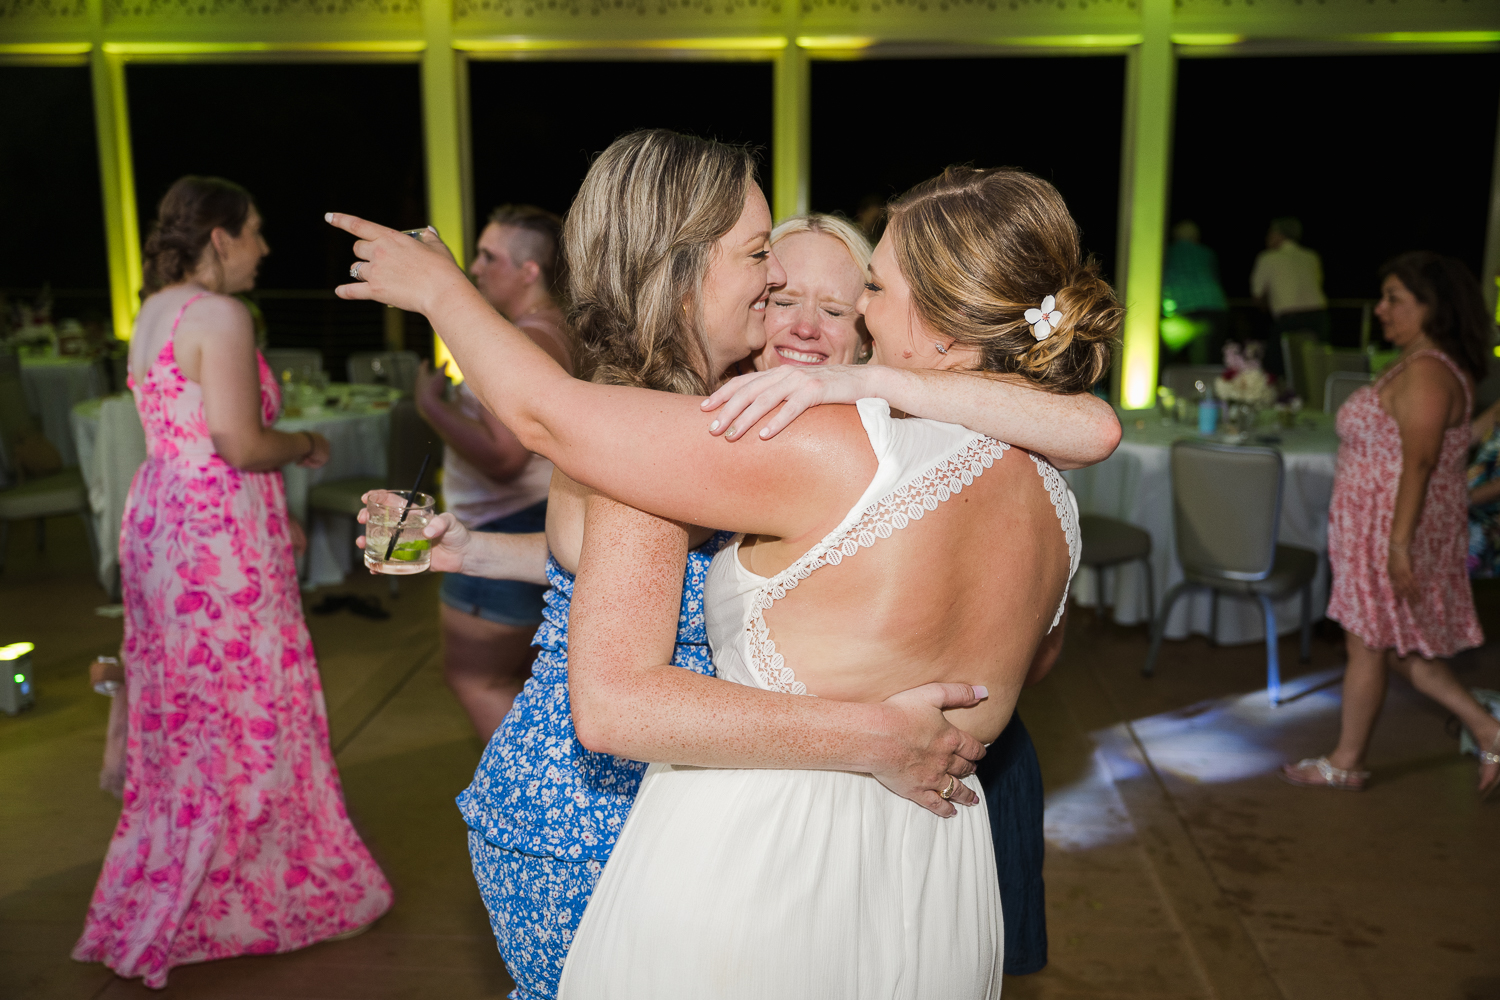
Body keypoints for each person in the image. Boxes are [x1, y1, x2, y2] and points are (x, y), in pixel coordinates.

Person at [330, 151, 1119, 997]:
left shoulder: (802, 442)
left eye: (868, 292)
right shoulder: (1051, 487)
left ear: (945, 328)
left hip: (767, 845)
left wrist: (446, 292)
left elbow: (546, 417)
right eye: (761, 261)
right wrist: (476, 551)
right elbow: (1049, 580)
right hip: (932, 863)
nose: (801, 292)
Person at [74, 177, 391, 989]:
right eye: (255, 233)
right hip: (215, 536)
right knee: (244, 703)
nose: (265, 248)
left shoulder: (154, 310)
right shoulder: (221, 315)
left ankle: (179, 874)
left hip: (165, 522)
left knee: (184, 707)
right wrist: (308, 444)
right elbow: (240, 443)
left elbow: (185, 436)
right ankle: (237, 893)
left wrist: (272, 514)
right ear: (220, 236)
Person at [1282, 252, 1499, 797]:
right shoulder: (1422, 361)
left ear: (1433, 307)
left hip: (1389, 531)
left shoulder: (1428, 372)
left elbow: (1421, 463)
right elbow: (1441, 447)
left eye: (1395, 298)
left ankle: (1346, 762)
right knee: (1399, 651)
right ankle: (1491, 731)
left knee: (1368, 647)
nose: (1380, 309)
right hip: (1377, 528)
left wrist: (1398, 547)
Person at [414, 204, 572, 739]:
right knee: (527, 677)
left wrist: (431, 405)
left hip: (505, 521)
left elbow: (504, 458)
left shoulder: (526, 340)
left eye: (488, 256)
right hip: (540, 513)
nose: (476, 268)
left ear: (530, 271)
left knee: (473, 677)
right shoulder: (556, 329)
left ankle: (526, 806)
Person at [1251, 216, 1328, 342]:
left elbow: (1257, 296)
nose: (1268, 237)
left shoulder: (1267, 257)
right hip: (1318, 316)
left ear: (1279, 235)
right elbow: (1318, 283)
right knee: (1315, 360)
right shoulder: (1311, 256)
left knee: (1278, 359)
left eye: (1271, 232)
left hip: (1289, 318)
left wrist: (1265, 305)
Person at [1162, 219, 1229, 364]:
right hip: (1216, 308)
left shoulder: (1167, 253)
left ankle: (1166, 380)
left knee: (1161, 349)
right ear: (1196, 237)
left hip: (1183, 312)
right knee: (1209, 358)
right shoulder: (1207, 253)